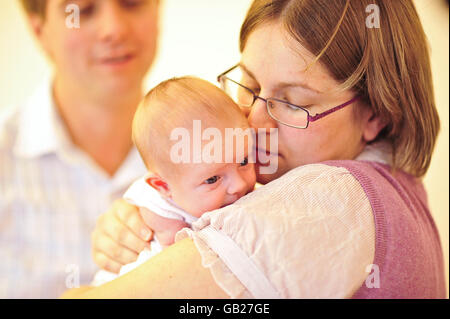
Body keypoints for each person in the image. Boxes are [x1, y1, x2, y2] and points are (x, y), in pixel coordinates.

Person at [78, 0, 445, 298]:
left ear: (376, 114)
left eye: (293, 102)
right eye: (249, 86)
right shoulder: (396, 192)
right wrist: (147, 216)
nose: (255, 122)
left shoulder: (330, 197)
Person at [0, 0, 159, 298]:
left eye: (132, 3)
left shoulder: (213, 150)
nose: (114, 29)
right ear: (40, 32)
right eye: (83, 10)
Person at [90, 77, 256, 286]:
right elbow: (181, 270)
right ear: (164, 187)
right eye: (212, 179)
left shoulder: (195, 183)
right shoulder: (163, 218)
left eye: (243, 161)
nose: (240, 184)